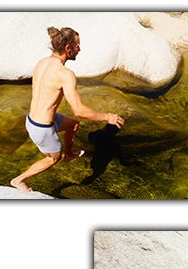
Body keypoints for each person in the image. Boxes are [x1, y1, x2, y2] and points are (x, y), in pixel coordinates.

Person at [10, 27, 125, 193]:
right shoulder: (65, 74)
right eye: (78, 45)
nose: (80, 49)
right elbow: (79, 109)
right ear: (68, 48)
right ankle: (19, 179)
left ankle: (69, 154)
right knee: (52, 158)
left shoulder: (42, 62)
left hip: (33, 119)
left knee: (73, 125)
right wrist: (107, 117)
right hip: (42, 128)